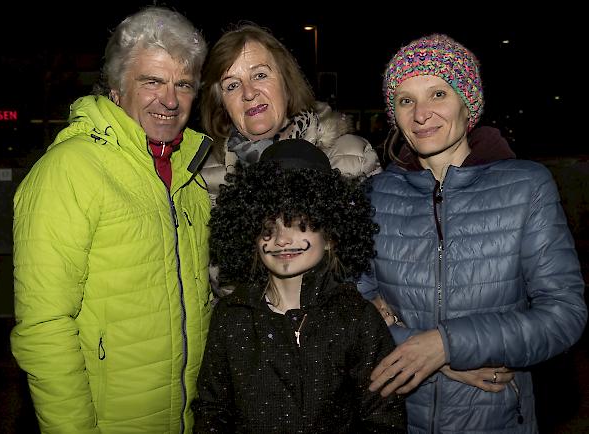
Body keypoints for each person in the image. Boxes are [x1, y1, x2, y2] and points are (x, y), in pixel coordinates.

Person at [358, 33, 587, 433]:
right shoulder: (376, 194)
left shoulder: (526, 187)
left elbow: (563, 314)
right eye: (406, 100)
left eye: (438, 94)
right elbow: (349, 306)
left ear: (468, 104)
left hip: (494, 417)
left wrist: (448, 345)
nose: (421, 114)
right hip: (395, 417)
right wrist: (439, 360)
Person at [10, 6, 213, 433]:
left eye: (183, 84)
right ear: (118, 89)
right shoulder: (69, 170)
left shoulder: (189, 172)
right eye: (152, 81)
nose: (170, 100)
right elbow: (45, 327)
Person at [191, 138, 407, 433]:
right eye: (268, 227)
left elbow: (383, 417)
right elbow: (211, 410)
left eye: (300, 223)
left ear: (331, 234)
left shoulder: (358, 319)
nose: (281, 240)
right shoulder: (232, 317)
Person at [199, 23, 382, 206]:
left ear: (286, 83)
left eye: (260, 75)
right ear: (221, 104)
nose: (248, 93)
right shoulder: (201, 180)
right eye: (232, 85)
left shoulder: (353, 159)